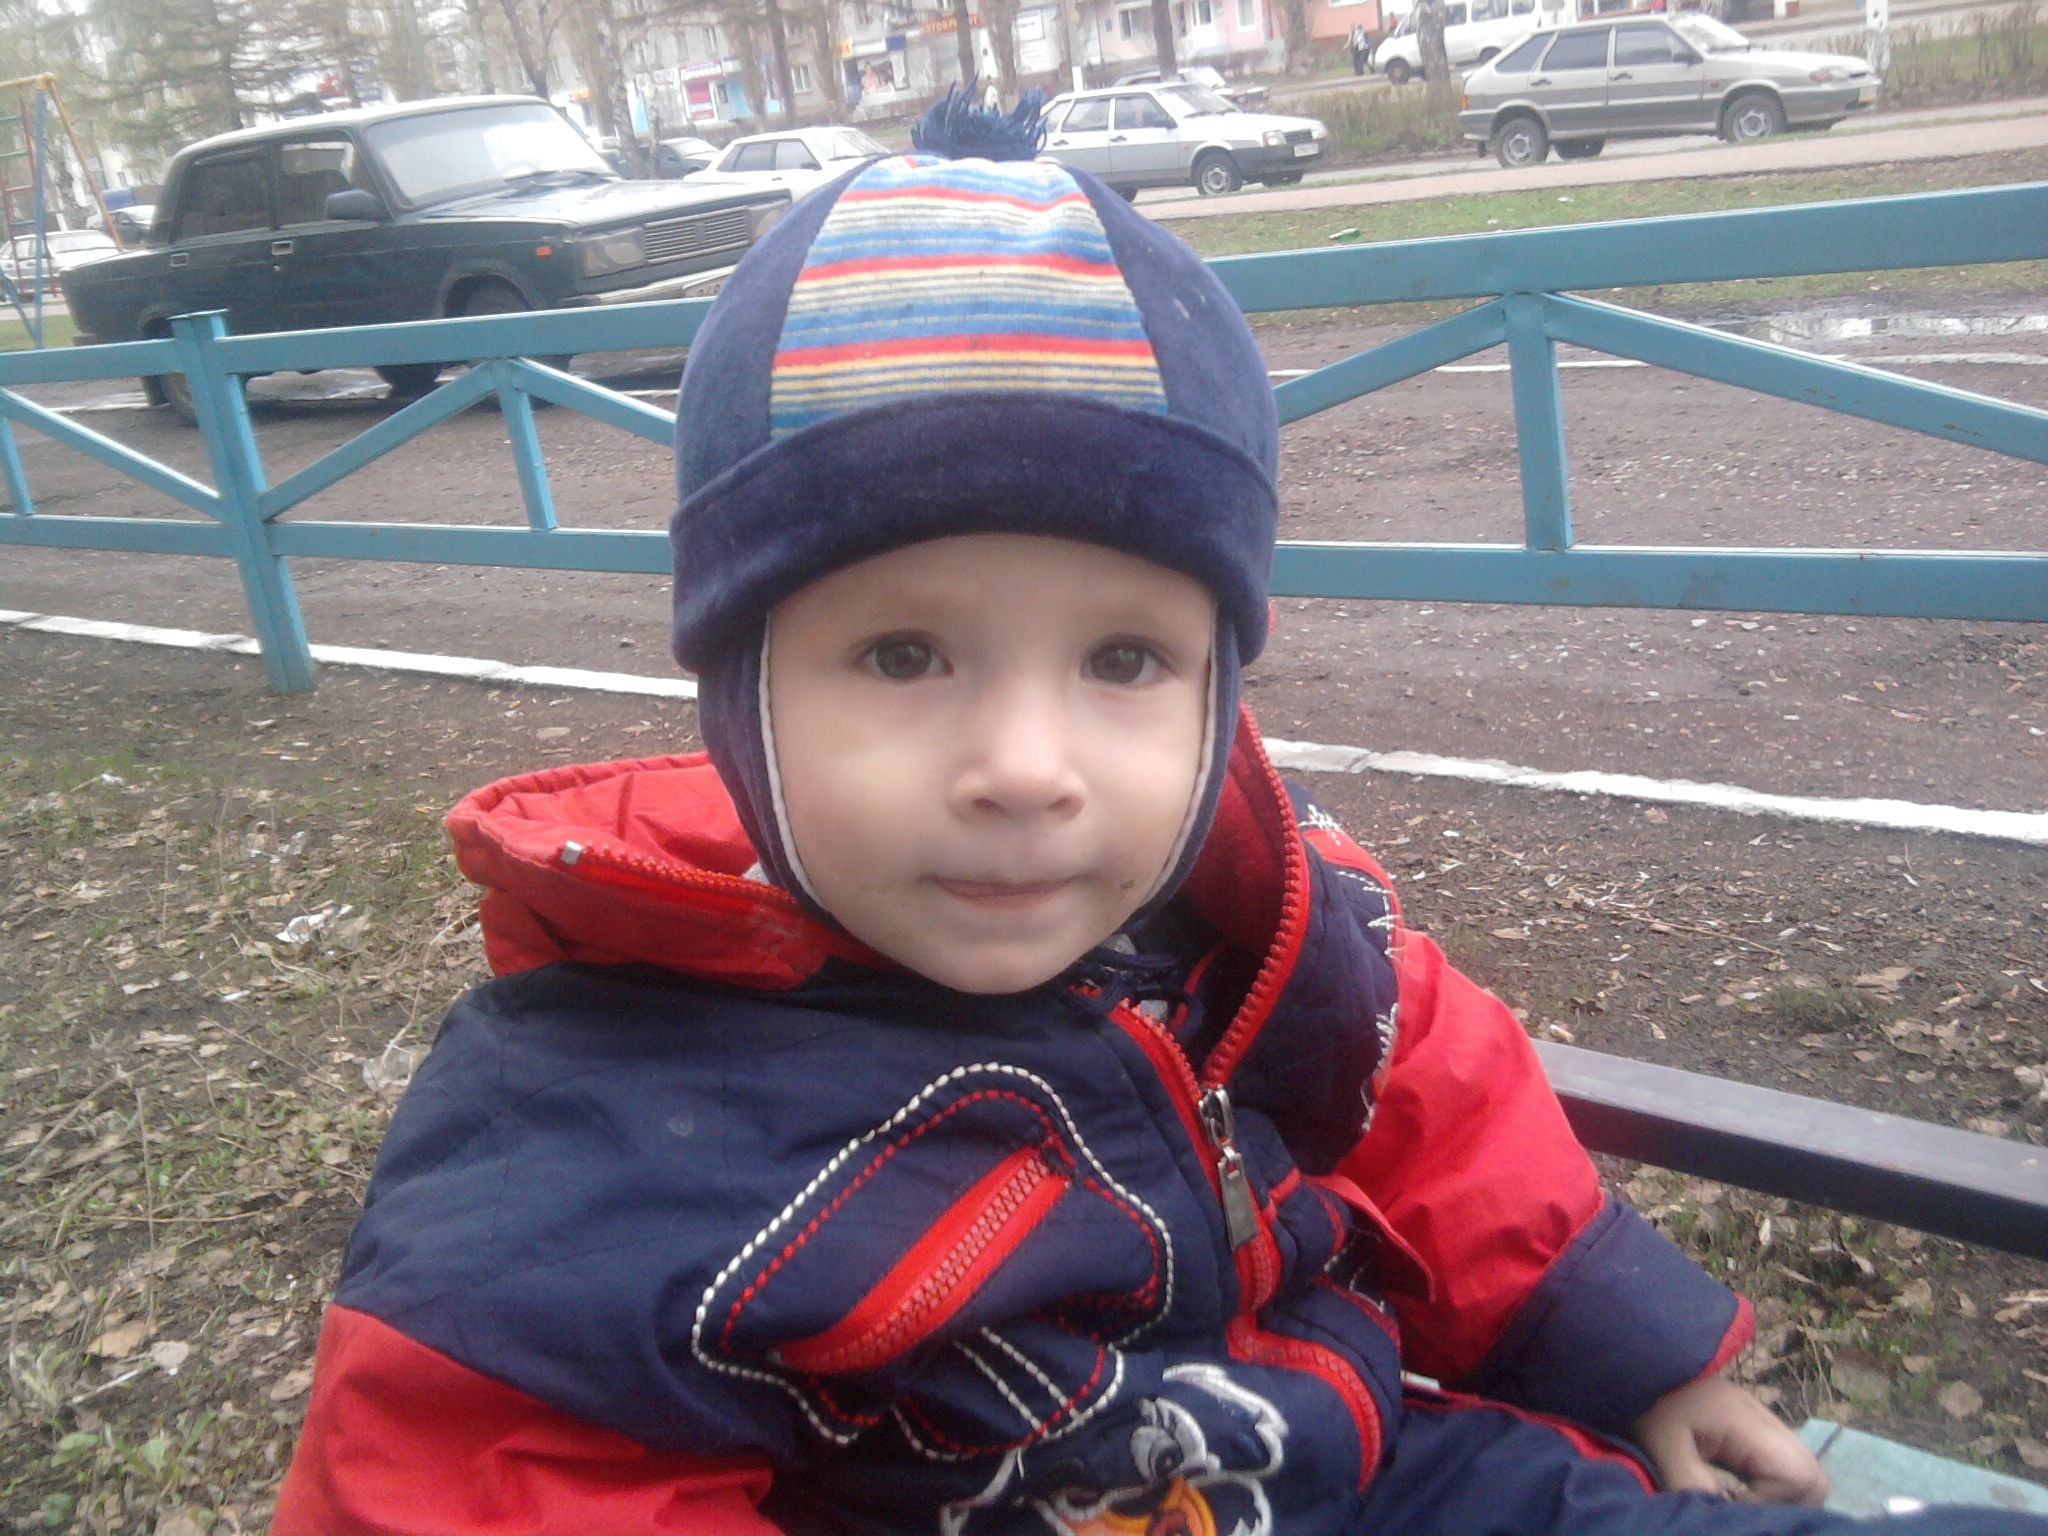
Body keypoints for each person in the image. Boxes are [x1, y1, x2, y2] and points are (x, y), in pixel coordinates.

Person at [271, 93, 2048, 1536]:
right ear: (740, 697)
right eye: (902, 653)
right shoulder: (586, 1130)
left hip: (1384, 1477)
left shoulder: (1256, 913)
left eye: (1125, 659)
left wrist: (1634, 1353)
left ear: (1219, 686)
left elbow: (1428, 1089)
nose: (1027, 765)